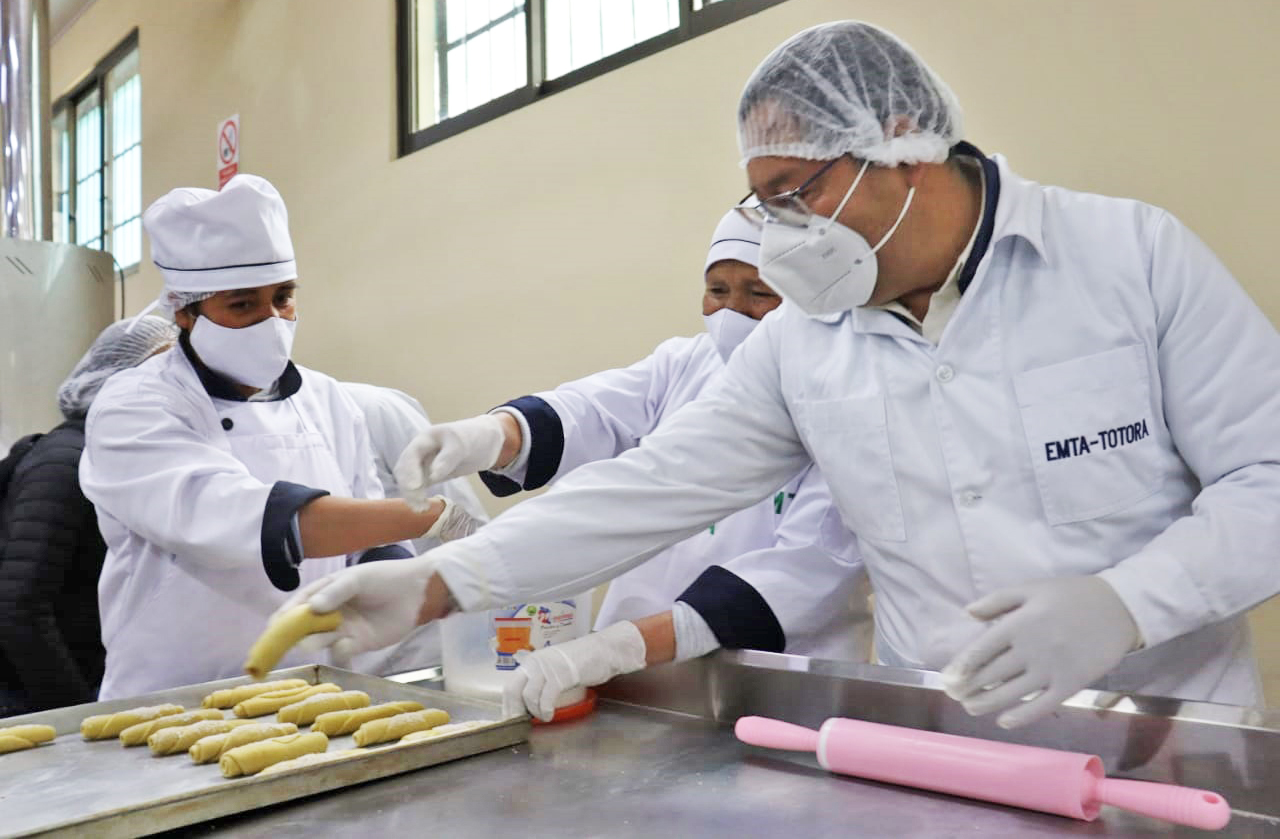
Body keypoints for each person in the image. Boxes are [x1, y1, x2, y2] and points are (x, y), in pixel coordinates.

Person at [281, 21, 1280, 729]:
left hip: (1170, 735)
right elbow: (653, 484)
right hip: (942, 747)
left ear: (899, 142)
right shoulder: (804, 338)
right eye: (763, 208)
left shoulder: (1128, 259)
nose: (782, 242)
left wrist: (1127, 603)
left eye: (792, 195)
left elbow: (1267, 479)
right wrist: (442, 583)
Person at [394, 211, 868, 718]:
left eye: (758, 292)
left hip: (773, 693)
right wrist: (493, 435)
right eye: (717, 290)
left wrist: (614, 648)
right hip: (639, 686)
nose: (732, 312)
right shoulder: (686, 364)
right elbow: (593, 411)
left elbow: (802, 573)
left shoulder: (841, 398)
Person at [80, 175, 480, 698]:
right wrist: (432, 515)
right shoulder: (135, 406)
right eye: (243, 305)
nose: (271, 321)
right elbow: (236, 516)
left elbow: (367, 534)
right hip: (173, 697)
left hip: (313, 687)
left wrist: (396, 580)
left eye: (283, 299)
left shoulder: (327, 399)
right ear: (184, 310)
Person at [0, 317, 176, 714]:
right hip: (31, 700)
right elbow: (19, 604)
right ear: (114, 379)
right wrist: (77, 714)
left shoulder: (119, 456)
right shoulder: (65, 462)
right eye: (160, 374)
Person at [340, 381, 489, 674]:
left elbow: (470, 530)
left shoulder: (374, 410)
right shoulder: (223, 433)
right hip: (312, 667)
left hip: (418, 661)